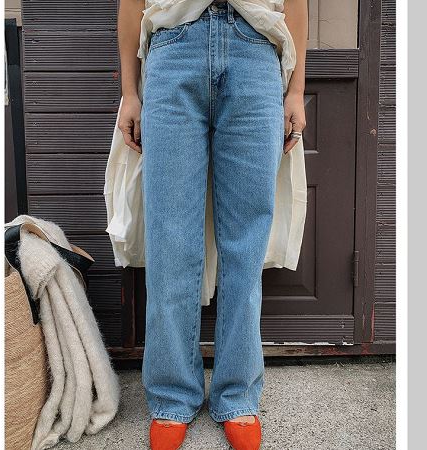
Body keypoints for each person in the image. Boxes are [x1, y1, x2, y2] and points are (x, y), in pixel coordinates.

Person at [115, 0, 307, 448]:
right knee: (171, 238)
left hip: (256, 48)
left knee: (246, 241)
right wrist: (130, 91)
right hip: (172, 48)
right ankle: (171, 395)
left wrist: (296, 90)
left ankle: (237, 394)